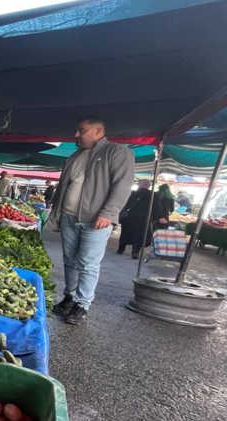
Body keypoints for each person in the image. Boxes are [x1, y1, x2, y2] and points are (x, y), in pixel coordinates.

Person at [47, 117, 134, 325]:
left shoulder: (117, 152)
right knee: (69, 260)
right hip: (69, 216)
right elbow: (63, 188)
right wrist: (57, 215)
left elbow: (122, 185)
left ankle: (82, 304)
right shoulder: (75, 156)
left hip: (96, 219)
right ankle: (69, 297)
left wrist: (109, 212)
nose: (77, 135)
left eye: (82, 131)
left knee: (87, 263)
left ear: (98, 131)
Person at [117, 180, 153, 258]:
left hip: (129, 218)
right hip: (143, 219)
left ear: (139, 185)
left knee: (125, 234)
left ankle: (120, 249)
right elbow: (156, 208)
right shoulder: (152, 195)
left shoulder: (132, 193)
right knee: (139, 236)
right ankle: (135, 252)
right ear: (148, 186)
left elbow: (124, 204)